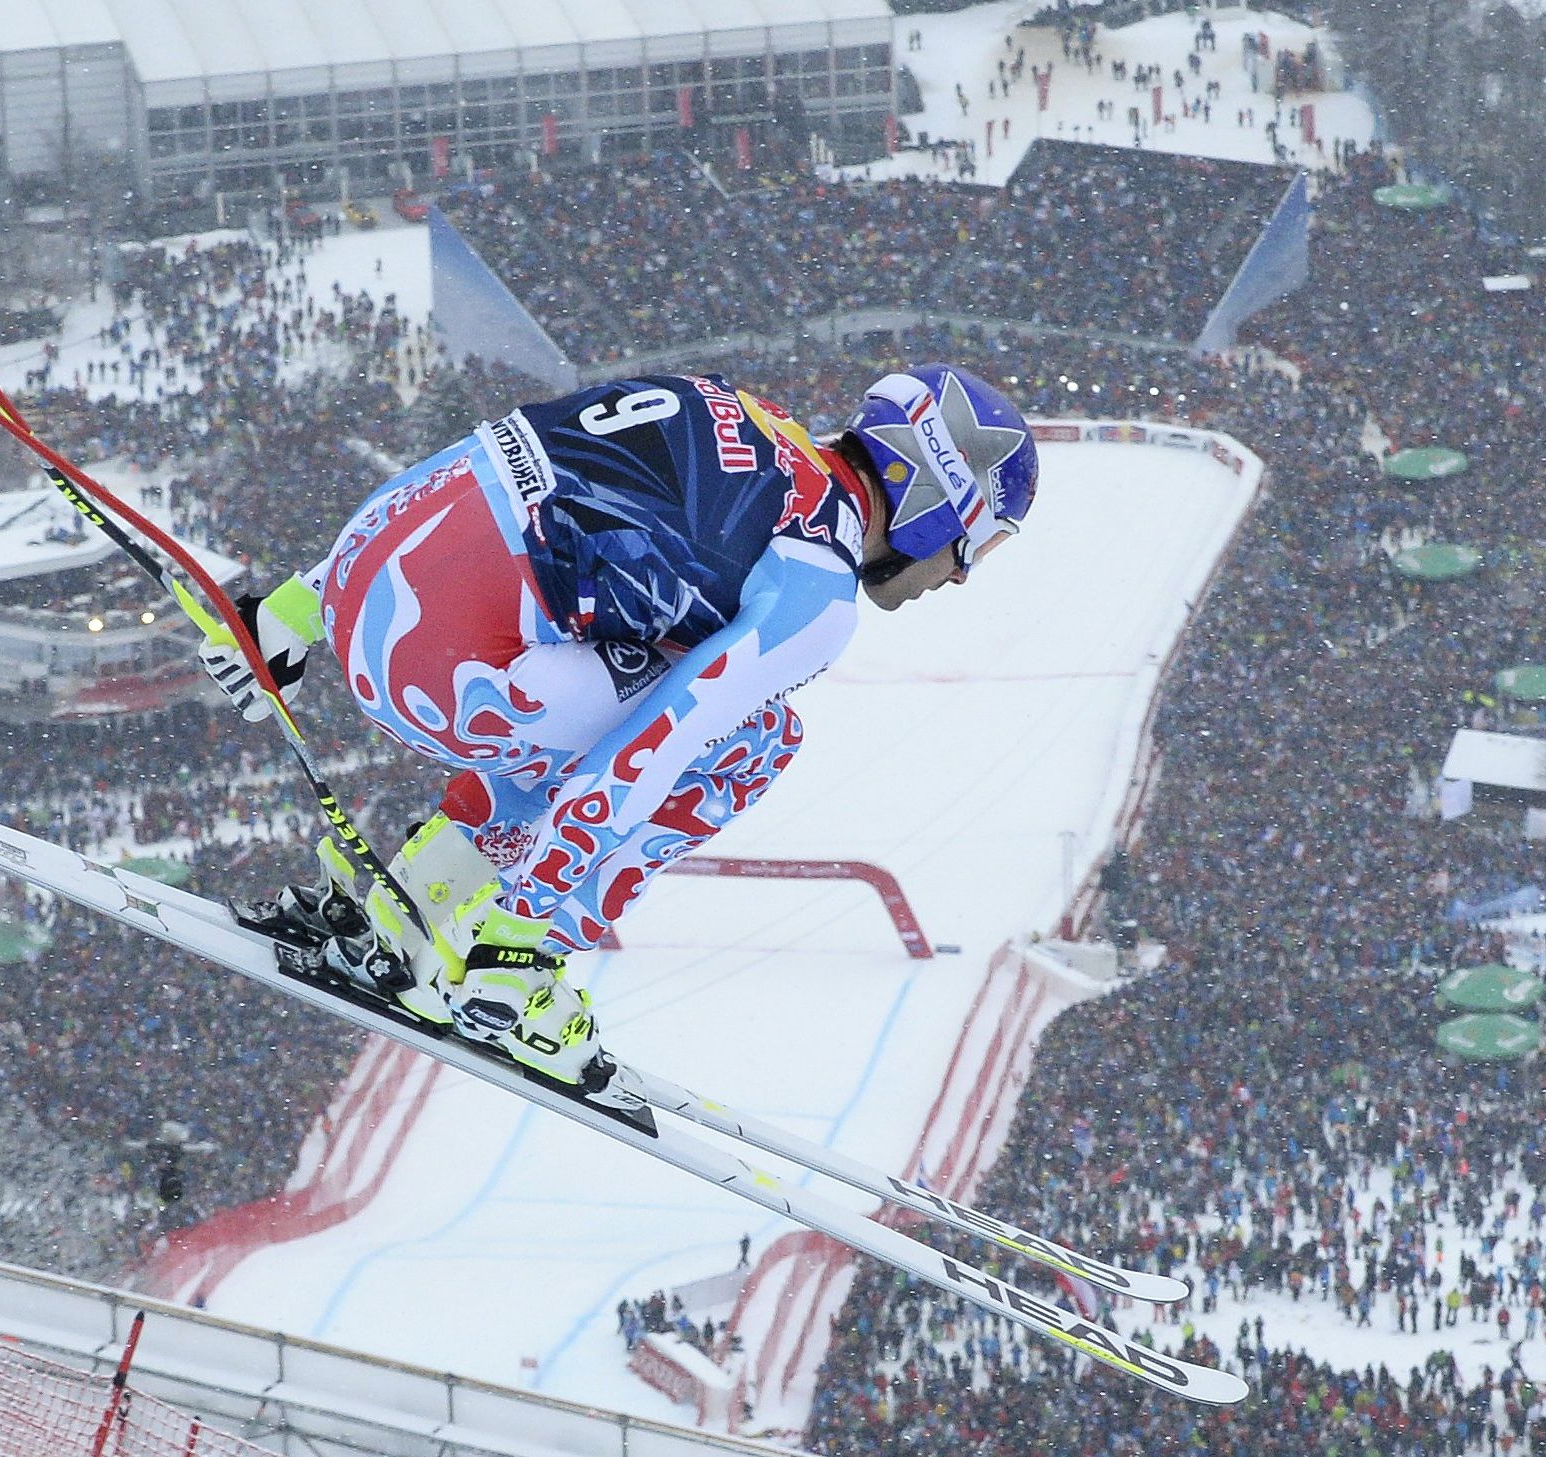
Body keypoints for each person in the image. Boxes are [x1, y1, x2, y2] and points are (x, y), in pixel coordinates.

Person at [199, 366, 1039, 1106]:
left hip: (368, 599)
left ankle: (413, 901)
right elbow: (651, 752)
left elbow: (492, 466)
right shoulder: (817, 581)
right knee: (755, 738)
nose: (961, 573)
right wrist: (526, 933)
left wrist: (290, 611)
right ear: (939, 501)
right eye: (979, 543)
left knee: (652, 652)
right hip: (450, 676)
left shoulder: (735, 411)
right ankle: (515, 974)